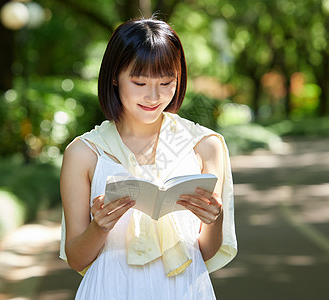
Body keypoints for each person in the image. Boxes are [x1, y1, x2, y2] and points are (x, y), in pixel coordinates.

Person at [59, 17, 237, 299]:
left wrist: (215, 219)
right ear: (114, 76)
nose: (154, 96)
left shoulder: (205, 146)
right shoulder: (85, 153)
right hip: (111, 288)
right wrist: (99, 226)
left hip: (185, 288)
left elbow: (205, 251)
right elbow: (76, 257)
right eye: (139, 82)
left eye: (166, 82)